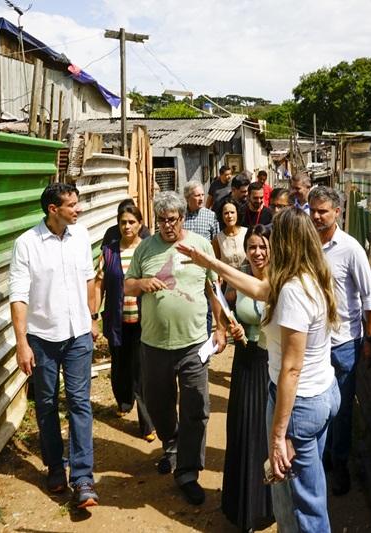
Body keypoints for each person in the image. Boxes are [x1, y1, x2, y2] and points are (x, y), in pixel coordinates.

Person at [176, 207, 341, 532]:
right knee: (303, 490)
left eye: (275, 239)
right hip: (323, 394)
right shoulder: (310, 278)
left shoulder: (293, 291)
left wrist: (278, 436)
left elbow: (291, 370)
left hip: (299, 406)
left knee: (304, 505)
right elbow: (258, 289)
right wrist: (210, 263)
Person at [124, 191, 227, 506]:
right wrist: (142, 284)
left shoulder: (200, 245)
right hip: (153, 344)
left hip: (194, 343)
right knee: (158, 404)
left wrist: (221, 327)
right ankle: (172, 445)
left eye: (173, 219)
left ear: (183, 218)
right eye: (162, 220)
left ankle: (187, 472)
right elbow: (127, 285)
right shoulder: (145, 248)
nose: (167, 226)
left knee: (196, 406)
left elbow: (215, 289)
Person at [8, 182, 100, 508]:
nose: (78, 209)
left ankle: (83, 478)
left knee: (79, 403)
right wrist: (22, 344)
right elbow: (18, 297)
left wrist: (92, 317)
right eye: (72, 205)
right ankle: (55, 468)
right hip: (42, 338)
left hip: (77, 336)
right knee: (46, 405)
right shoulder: (27, 245)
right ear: (53, 210)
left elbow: (90, 278)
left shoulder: (82, 236)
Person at [308, 186, 371, 496]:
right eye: (313, 210)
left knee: (342, 409)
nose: (316, 216)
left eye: (323, 211)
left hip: (345, 345)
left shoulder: (351, 249)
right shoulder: (306, 245)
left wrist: (369, 340)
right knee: (317, 406)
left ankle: (339, 464)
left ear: (338, 212)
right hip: (314, 344)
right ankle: (320, 460)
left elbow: (370, 301)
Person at [221, 225, 276, 532]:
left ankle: (265, 507)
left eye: (262, 247)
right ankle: (241, 507)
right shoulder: (241, 281)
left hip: (269, 364)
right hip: (244, 361)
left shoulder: (281, 282)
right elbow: (229, 310)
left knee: (264, 434)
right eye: (252, 247)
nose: (257, 253)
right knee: (242, 430)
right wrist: (233, 329)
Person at [94, 204, 156, 442]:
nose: (127, 226)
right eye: (123, 222)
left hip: (144, 321)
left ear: (140, 224)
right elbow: (100, 285)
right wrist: (94, 315)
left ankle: (147, 424)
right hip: (116, 320)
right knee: (120, 366)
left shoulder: (148, 250)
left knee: (141, 372)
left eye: (131, 222)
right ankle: (123, 400)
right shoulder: (109, 252)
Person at [182, 179, 220, 336]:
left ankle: (205, 340)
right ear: (187, 197)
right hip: (184, 270)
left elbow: (216, 245)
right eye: (197, 195)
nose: (201, 198)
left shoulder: (211, 216)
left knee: (207, 306)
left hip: (205, 271)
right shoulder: (180, 216)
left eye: (202, 195)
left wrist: (217, 270)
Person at [213, 202, 247, 269]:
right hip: (227, 278)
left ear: (237, 213)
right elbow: (216, 263)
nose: (229, 216)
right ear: (221, 216)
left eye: (232, 212)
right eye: (226, 213)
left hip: (248, 277)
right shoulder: (217, 239)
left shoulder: (246, 233)